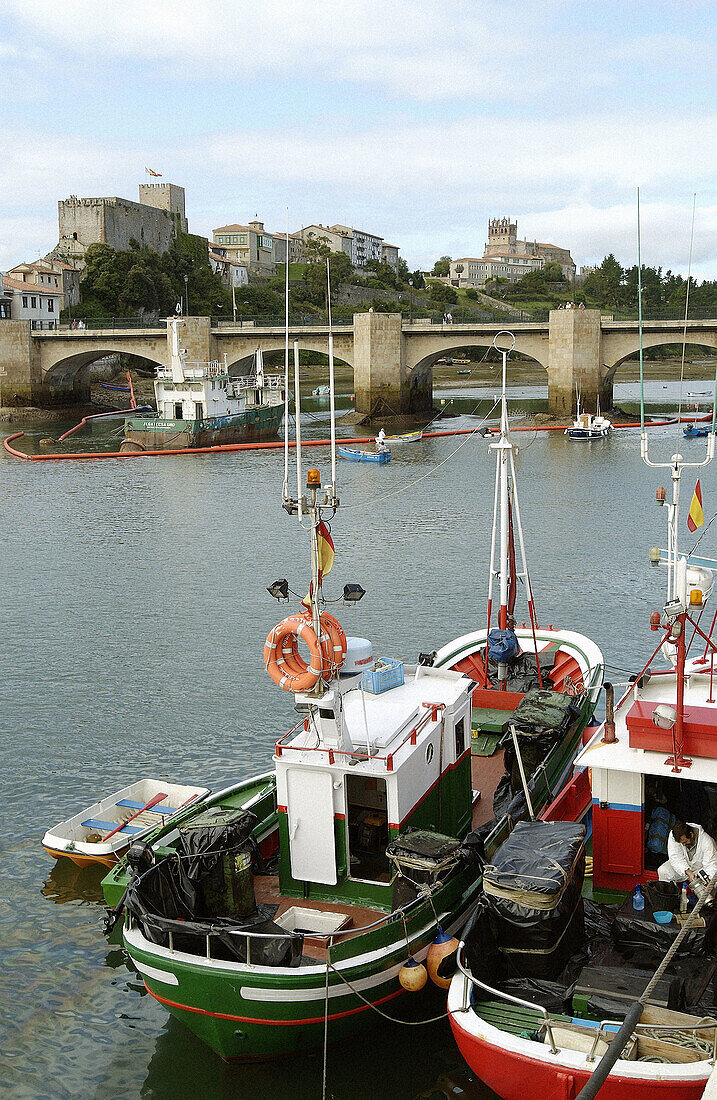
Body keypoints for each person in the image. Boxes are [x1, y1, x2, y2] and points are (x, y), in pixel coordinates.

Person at [658, 821, 717, 885]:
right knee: (663, 871)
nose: (683, 845)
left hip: (700, 869)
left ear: (691, 834)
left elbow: (711, 865)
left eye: (685, 842)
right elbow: (675, 857)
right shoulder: (674, 836)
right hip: (683, 866)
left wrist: (707, 882)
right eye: (681, 843)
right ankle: (668, 893)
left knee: (712, 883)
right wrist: (687, 871)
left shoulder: (707, 842)